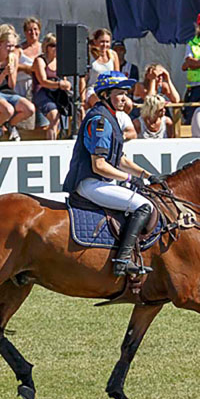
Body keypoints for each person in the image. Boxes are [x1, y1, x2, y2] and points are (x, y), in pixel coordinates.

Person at [63, 71, 166, 277]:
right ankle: (122, 260)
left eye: (125, 93)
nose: (124, 98)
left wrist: (148, 175)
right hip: (91, 183)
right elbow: (99, 165)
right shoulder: (100, 121)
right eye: (119, 93)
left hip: (102, 182)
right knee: (143, 206)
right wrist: (129, 178)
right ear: (105, 95)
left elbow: (121, 160)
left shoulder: (111, 118)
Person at [0, 24, 35, 141]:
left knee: (30, 109)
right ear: (0, 45)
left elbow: (11, 85)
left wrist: (11, 73)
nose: (11, 49)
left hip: (9, 93)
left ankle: (10, 124)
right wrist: (4, 73)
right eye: (8, 46)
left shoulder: (13, 58)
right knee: (8, 110)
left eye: (13, 46)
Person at [31, 32, 70, 139]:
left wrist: (66, 85)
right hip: (42, 92)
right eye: (53, 45)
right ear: (46, 47)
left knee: (72, 110)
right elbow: (43, 81)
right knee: (54, 116)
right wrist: (59, 84)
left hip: (56, 94)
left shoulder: (60, 62)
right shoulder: (40, 60)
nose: (56, 48)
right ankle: (52, 143)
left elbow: (64, 80)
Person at [83, 28, 120, 107]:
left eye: (107, 42)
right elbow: (83, 79)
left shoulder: (113, 54)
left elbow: (117, 75)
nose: (105, 45)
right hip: (93, 89)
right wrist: (82, 99)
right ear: (95, 41)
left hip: (109, 88)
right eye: (102, 42)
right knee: (102, 104)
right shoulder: (89, 56)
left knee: (128, 104)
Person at [15, 16, 44, 100]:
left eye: (35, 29)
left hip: (39, 88)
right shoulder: (19, 49)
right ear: (25, 32)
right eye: (29, 30)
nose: (33, 32)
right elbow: (12, 65)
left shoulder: (44, 49)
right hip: (21, 87)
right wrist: (26, 68)